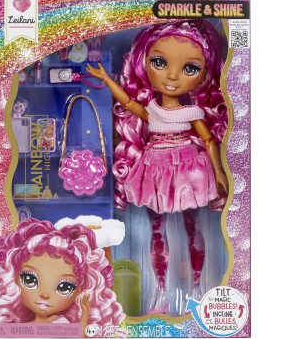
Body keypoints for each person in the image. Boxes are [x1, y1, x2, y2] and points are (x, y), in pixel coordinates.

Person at [87, 20, 228, 312]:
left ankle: (197, 288)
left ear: (204, 74)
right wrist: (107, 79)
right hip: (154, 168)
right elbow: (128, 103)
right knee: (156, 228)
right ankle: (161, 291)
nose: (172, 76)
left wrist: (218, 171)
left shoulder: (192, 112)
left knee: (192, 226)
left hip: (187, 168)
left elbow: (209, 140)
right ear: (144, 63)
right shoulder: (152, 108)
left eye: (190, 68)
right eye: (160, 63)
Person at [0, 219, 125, 336]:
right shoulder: (16, 328)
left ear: (79, 291)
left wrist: (85, 312)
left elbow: (79, 334)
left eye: (65, 287)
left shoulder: (62, 323)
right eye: (29, 280)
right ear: (13, 278)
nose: (45, 294)